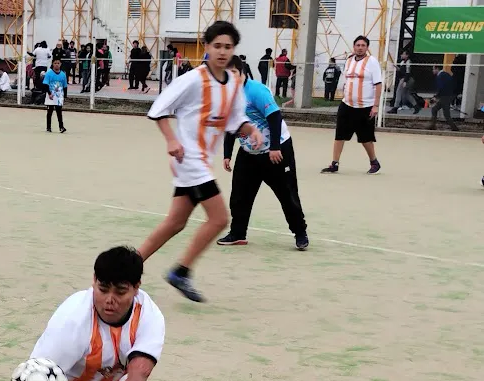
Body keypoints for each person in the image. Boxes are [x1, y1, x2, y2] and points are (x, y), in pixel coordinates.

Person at [137, 20, 262, 303]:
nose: (222, 51)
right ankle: (181, 271)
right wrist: (171, 139)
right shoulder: (192, 79)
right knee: (220, 219)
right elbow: (158, 109)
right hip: (189, 160)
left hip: (202, 162)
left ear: (234, 50)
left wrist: (251, 130)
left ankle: (129, 267)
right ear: (206, 47)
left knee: (175, 222)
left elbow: (235, 121)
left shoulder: (232, 84)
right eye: (217, 45)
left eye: (228, 47)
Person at [29, 246, 165, 381]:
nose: (109, 299)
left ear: (136, 287)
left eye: (120, 292)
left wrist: (138, 377)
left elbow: (142, 363)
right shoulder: (73, 318)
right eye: (103, 289)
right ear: (94, 280)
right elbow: (37, 375)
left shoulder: (148, 314)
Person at [217, 56, 308, 250]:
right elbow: (232, 125)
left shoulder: (256, 91)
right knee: (239, 195)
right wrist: (227, 154)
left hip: (276, 150)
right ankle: (238, 233)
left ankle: (300, 233)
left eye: (234, 72)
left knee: (287, 194)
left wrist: (274, 147)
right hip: (248, 153)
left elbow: (275, 117)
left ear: (242, 72)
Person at [321, 35, 383, 175]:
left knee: (365, 137)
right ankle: (334, 163)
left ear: (367, 48)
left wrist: (376, 105)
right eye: (357, 45)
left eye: (363, 45)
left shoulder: (372, 62)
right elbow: (346, 80)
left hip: (365, 106)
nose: (360, 48)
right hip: (347, 104)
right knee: (340, 134)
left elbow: (378, 84)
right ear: (354, 47)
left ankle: (374, 162)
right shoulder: (349, 61)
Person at [428, 65, 459, 131]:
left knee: (446, 114)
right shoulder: (446, 74)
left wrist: (436, 97)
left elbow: (441, 88)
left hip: (445, 96)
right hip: (449, 95)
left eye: (433, 69)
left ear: (437, 69)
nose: (432, 71)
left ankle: (454, 128)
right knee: (435, 109)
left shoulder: (440, 76)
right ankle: (432, 125)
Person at [44, 57, 68, 133]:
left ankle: (61, 127)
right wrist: (49, 94)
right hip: (51, 94)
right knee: (50, 111)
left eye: (58, 63)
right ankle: (48, 127)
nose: (57, 65)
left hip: (59, 95)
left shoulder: (63, 74)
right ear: (52, 64)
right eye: (55, 63)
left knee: (59, 111)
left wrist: (65, 96)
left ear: (60, 64)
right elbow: (45, 84)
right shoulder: (49, 73)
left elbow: (65, 86)